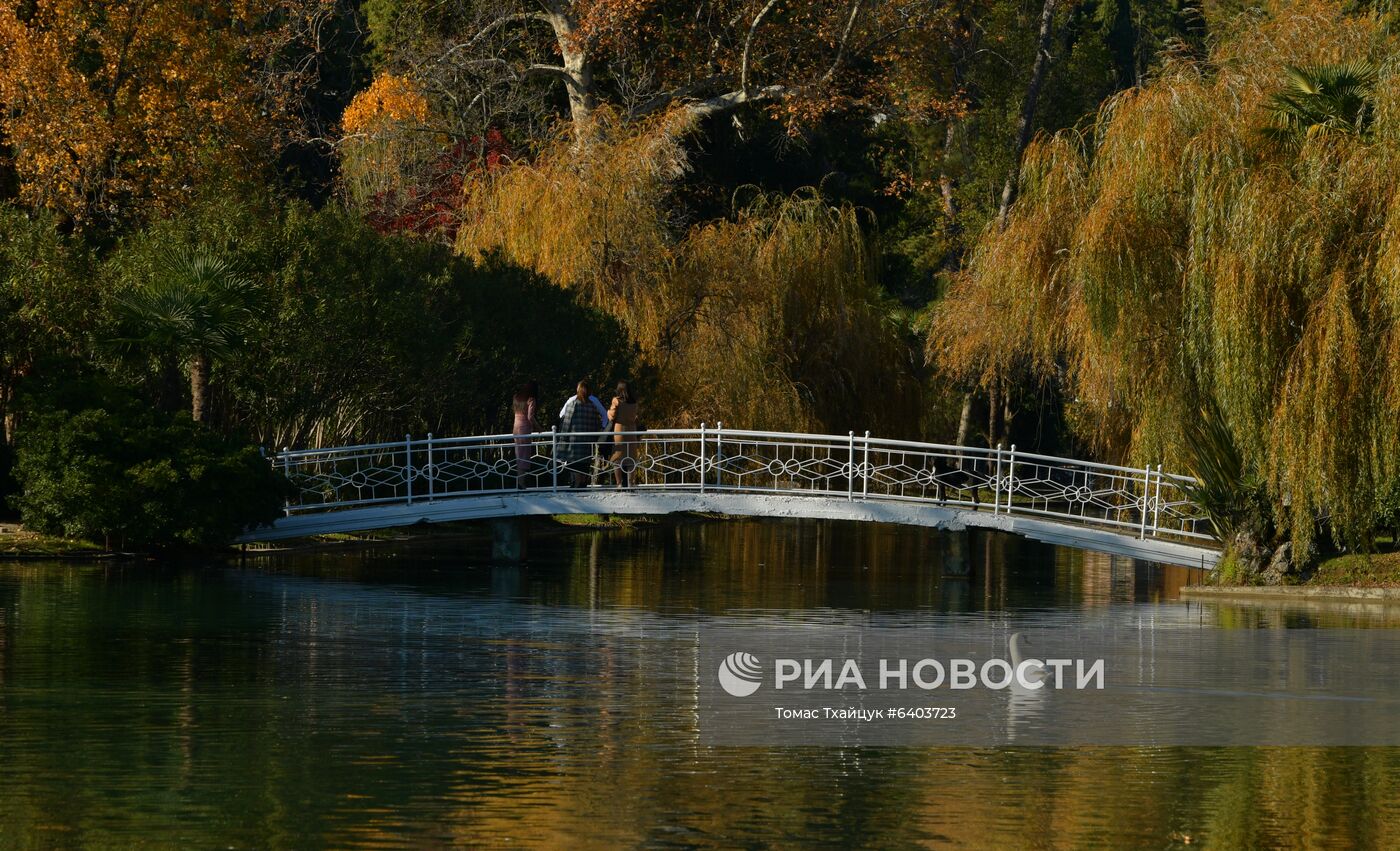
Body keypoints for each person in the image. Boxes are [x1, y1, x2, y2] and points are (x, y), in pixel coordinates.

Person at [558, 380, 604, 487]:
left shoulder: (573, 404)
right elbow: (596, 423)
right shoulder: (592, 406)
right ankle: (583, 483)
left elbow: (566, 422)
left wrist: (563, 439)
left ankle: (577, 484)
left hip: (574, 441)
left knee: (575, 463)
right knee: (584, 462)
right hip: (587, 440)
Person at [607, 381, 641, 488]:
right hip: (632, 431)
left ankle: (619, 483)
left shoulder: (616, 400)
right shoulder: (634, 402)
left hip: (619, 430)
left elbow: (612, 416)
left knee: (617, 457)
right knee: (631, 458)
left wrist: (608, 412)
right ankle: (630, 483)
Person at [511, 381, 539, 485]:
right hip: (525, 430)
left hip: (516, 428)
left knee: (519, 455)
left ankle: (520, 482)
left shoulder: (516, 397)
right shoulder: (531, 399)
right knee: (524, 456)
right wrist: (539, 428)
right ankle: (521, 483)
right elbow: (530, 417)